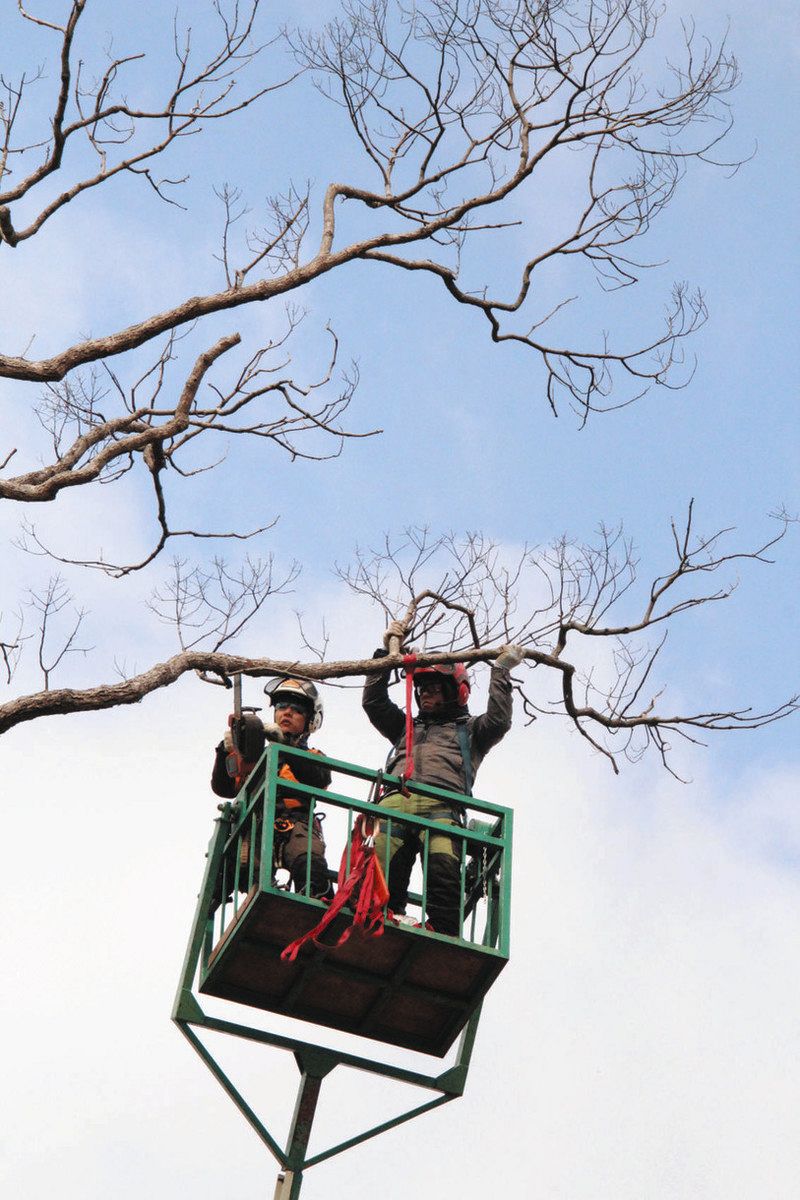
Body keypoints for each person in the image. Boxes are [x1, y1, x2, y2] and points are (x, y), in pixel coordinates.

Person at [362, 622, 523, 935]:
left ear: (456, 692)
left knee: (444, 872)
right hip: (393, 806)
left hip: (442, 810)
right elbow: (374, 703)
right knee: (378, 872)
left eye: (434, 688)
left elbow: (500, 720)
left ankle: (442, 930)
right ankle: (383, 916)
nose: (425, 695)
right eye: (422, 689)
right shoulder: (405, 728)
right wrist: (386, 656)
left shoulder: (472, 731)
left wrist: (500, 672)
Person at [211, 677, 333, 900]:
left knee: (309, 861)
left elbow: (318, 779)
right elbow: (225, 788)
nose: (286, 712)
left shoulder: (313, 757)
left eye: (296, 709)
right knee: (238, 866)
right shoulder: (257, 761)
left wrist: (285, 746)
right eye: (281, 707)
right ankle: (246, 904)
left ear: (310, 720)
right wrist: (225, 751)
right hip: (257, 824)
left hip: (297, 822)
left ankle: (319, 908)